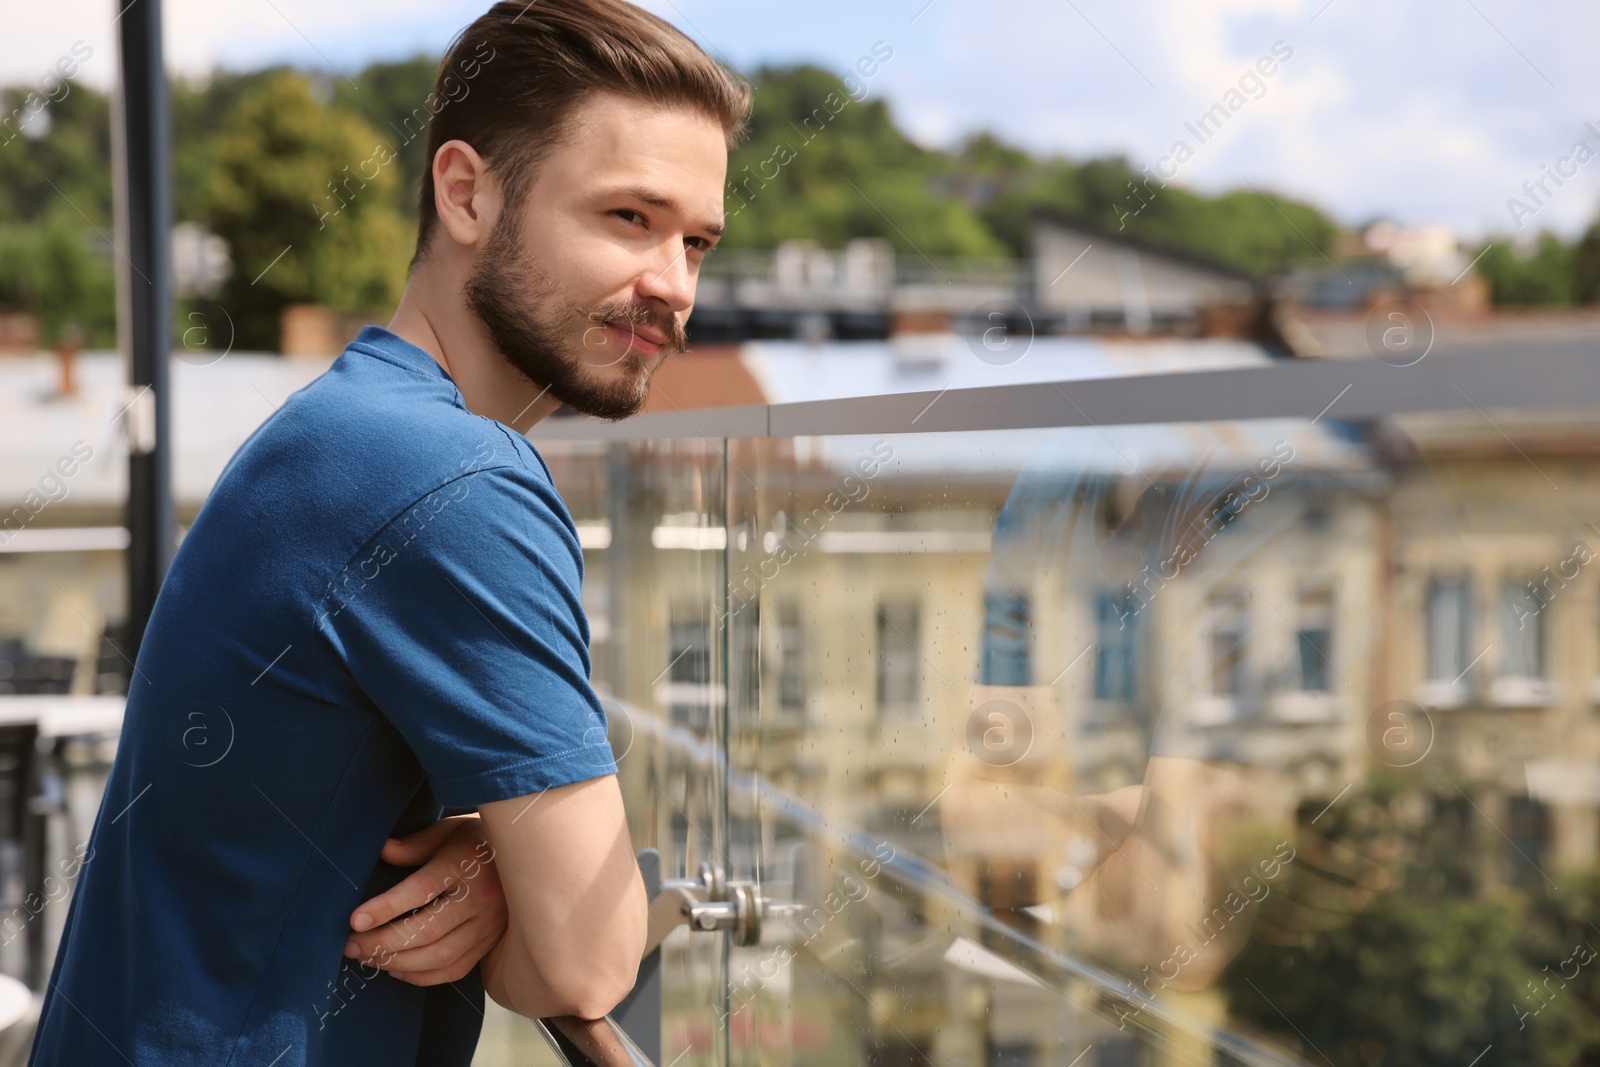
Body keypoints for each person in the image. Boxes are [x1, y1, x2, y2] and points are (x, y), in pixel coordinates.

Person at [30, 1, 748, 1062]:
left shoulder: (342, 425)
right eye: (628, 219)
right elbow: (589, 962)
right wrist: (525, 889)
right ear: (465, 192)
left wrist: (495, 854)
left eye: (696, 240)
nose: (673, 286)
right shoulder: (459, 476)